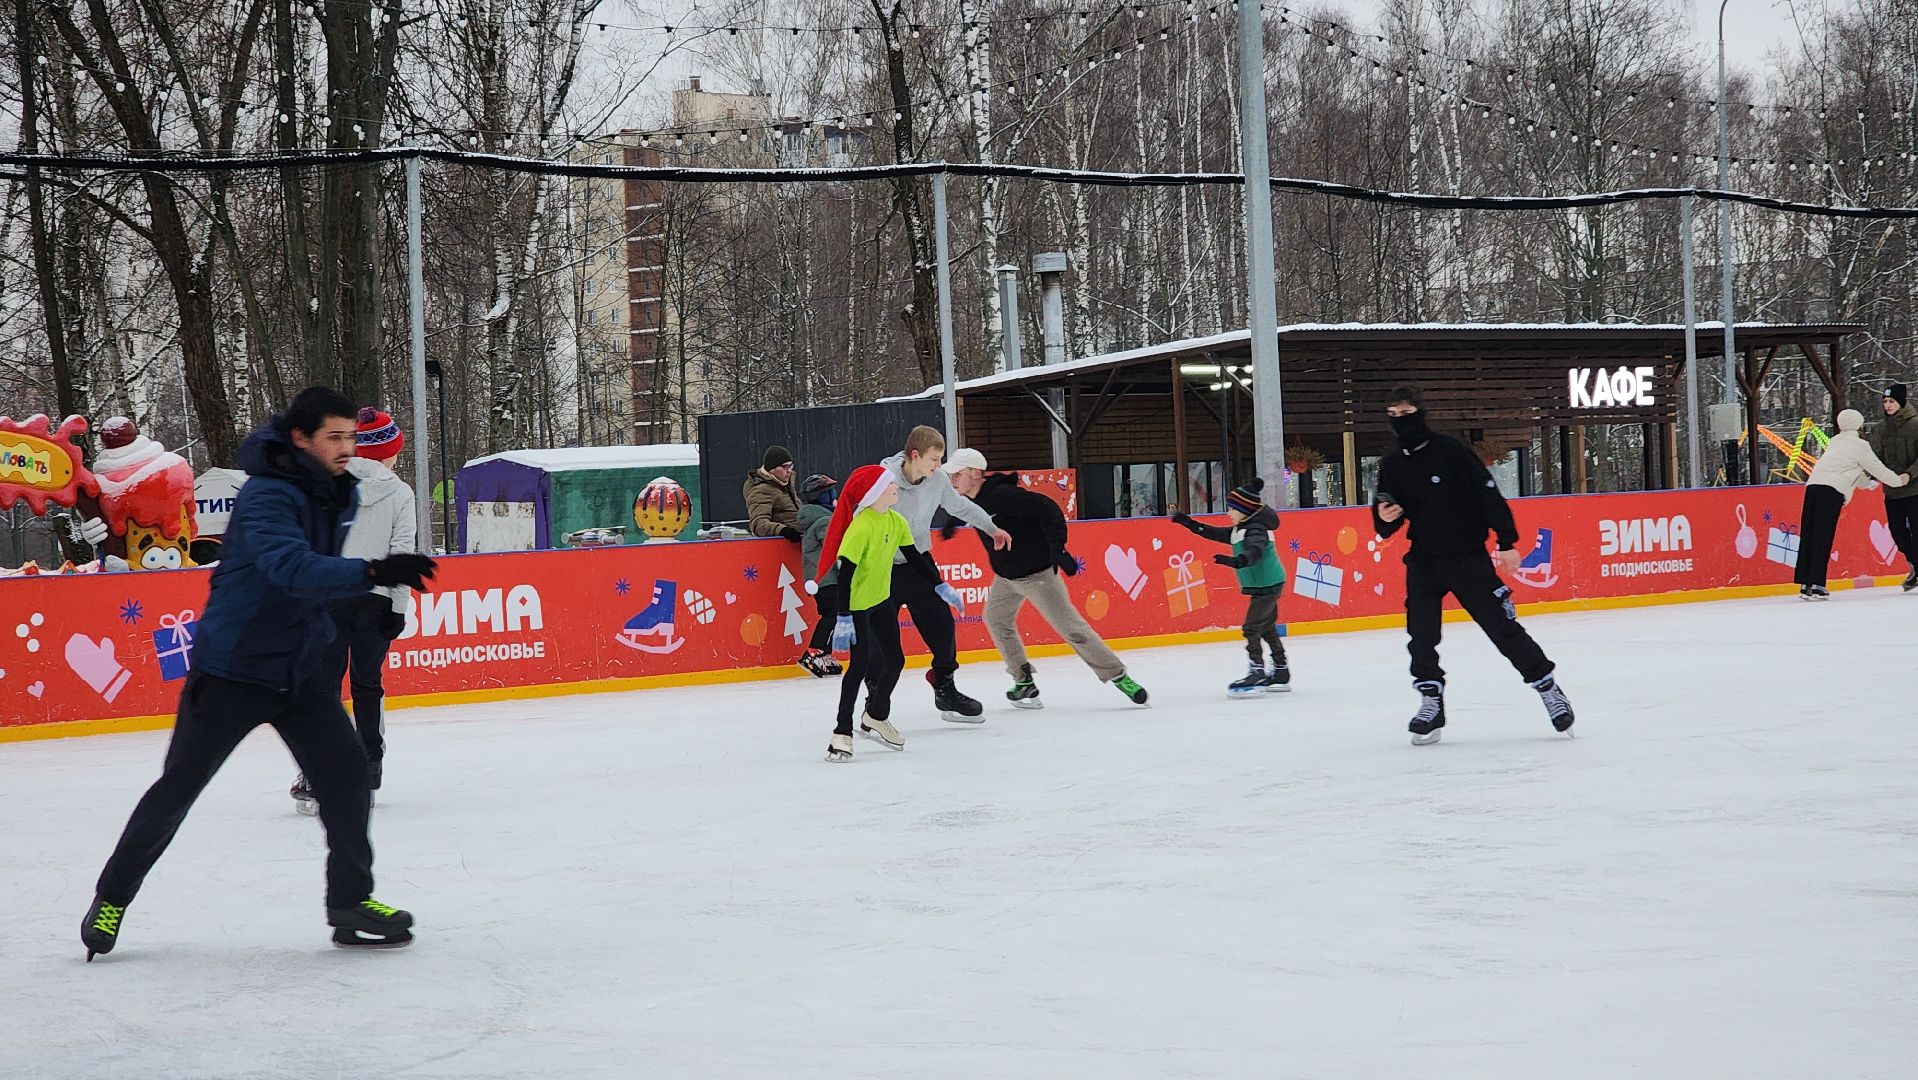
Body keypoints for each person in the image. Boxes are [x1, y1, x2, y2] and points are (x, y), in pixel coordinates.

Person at [82, 388, 438, 959]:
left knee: (347, 777)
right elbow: (287, 567)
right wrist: (371, 571)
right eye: (335, 437)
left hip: (299, 667)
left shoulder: (337, 492)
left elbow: (310, 578)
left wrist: (361, 595)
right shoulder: (268, 495)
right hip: (234, 669)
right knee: (179, 787)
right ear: (302, 439)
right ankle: (112, 897)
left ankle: (350, 902)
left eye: (352, 436)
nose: (347, 448)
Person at [1372, 385, 1571, 745]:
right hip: (1423, 561)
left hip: (1468, 559)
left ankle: (1548, 688)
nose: (1401, 420)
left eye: (1406, 412)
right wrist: (1385, 518)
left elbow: (1488, 493)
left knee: (1503, 628)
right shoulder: (1392, 463)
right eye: (1393, 415)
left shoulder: (1450, 451)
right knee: (1421, 635)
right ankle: (1431, 701)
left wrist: (1507, 541)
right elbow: (1385, 514)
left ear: (1420, 411)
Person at [946, 450, 1148, 708]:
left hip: (1037, 576)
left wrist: (1058, 549)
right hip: (1006, 577)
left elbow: (1048, 509)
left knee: (1071, 628)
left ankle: (1118, 675)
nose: (952, 480)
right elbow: (965, 510)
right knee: (996, 619)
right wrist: (952, 522)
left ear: (975, 473)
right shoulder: (970, 500)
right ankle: (1024, 681)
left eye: (957, 474)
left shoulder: (1003, 497)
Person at [290, 407, 418, 813]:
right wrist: (398, 606)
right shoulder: (400, 493)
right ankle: (368, 765)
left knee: (323, 690)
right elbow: (402, 553)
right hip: (375, 599)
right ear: (390, 452)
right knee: (368, 685)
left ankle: (317, 771)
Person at [813, 464, 964, 761]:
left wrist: (941, 587)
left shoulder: (895, 521)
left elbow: (917, 560)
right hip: (857, 606)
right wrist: (843, 617)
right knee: (858, 667)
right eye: (889, 484)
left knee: (895, 660)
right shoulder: (861, 527)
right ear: (873, 494)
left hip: (881, 600)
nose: (895, 487)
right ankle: (841, 732)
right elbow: (845, 575)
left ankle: (876, 715)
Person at [879, 431, 1012, 723]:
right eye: (934, 459)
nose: (939, 466)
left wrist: (991, 528)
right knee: (883, 641)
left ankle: (945, 687)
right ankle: (874, 704)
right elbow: (856, 517)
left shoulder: (936, 480)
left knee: (941, 625)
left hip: (920, 565)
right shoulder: (883, 479)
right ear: (915, 455)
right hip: (881, 568)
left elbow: (960, 506)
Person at [1173, 478, 1290, 696]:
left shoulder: (1256, 530)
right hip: (1265, 585)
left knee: (1251, 628)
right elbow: (1214, 533)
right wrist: (1189, 523)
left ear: (1245, 510)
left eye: (1232, 508)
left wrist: (1237, 561)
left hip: (1268, 585)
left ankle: (1257, 671)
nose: (1228, 512)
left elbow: (1256, 551)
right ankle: (1281, 671)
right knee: (1266, 627)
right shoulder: (1240, 529)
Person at [1796, 407, 1909, 599]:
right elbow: (1877, 468)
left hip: (1813, 487)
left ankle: (1805, 582)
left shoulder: (1835, 442)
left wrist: (1867, 484)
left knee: (1809, 534)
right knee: (1823, 536)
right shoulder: (1859, 445)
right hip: (1830, 492)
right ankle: (1816, 583)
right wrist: (1899, 481)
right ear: (1859, 425)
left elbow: (1851, 470)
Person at [1866, 384, 1918, 591]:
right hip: (1892, 491)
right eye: (1885, 402)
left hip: (1915, 489)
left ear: (1902, 403)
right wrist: (1869, 475)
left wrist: (1909, 474)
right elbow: (1875, 457)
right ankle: (1915, 566)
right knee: (1897, 532)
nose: (1888, 406)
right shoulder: (1881, 428)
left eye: (1892, 402)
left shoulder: (1915, 425)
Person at [795, 472, 843, 677]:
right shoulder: (824, 521)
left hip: (822, 579)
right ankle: (813, 652)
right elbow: (834, 550)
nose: (835, 496)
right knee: (831, 615)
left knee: (835, 615)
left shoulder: (817, 519)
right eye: (830, 492)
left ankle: (823, 653)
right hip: (827, 579)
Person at [744, 445, 804, 541]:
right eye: (785, 467)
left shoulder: (786, 485)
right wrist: (783, 530)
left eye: (791, 466)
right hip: (783, 546)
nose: (789, 471)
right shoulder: (761, 491)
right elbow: (758, 524)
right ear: (772, 469)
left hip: (800, 542)